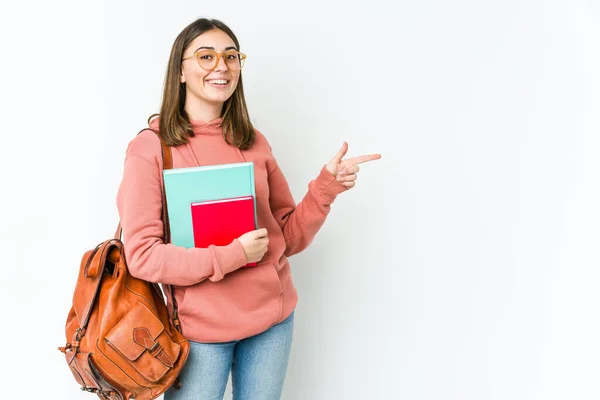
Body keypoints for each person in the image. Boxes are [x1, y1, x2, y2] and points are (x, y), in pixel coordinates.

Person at [116, 17, 381, 400]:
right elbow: (142, 256)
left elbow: (285, 237)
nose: (221, 66)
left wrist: (327, 186)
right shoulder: (150, 149)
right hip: (199, 333)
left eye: (231, 56)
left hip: (272, 323)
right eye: (206, 56)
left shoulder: (252, 141)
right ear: (180, 72)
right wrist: (232, 255)